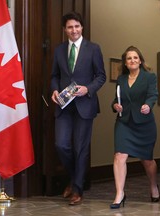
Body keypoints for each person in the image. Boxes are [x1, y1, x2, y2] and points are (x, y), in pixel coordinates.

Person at [51, 11, 106, 205]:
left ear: (82, 28)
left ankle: (77, 190)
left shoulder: (93, 49)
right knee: (62, 145)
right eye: (70, 27)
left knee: (81, 149)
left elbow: (101, 76)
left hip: (85, 104)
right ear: (64, 29)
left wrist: (87, 89)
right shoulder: (59, 50)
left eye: (77, 26)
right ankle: (75, 178)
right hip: (64, 106)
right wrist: (55, 90)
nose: (74, 30)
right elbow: (54, 76)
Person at [110, 46, 159, 209]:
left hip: (144, 123)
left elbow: (153, 95)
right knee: (119, 155)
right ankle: (119, 194)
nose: (132, 60)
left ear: (140, 60)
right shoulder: (121, 79)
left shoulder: (149, 77)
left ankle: (153, 186)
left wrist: (148, 105)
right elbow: (116, 100)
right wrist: (115, 106)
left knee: (147, 160)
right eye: (129, 58)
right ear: (125, 62)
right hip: (124, 122)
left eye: (135, 58)